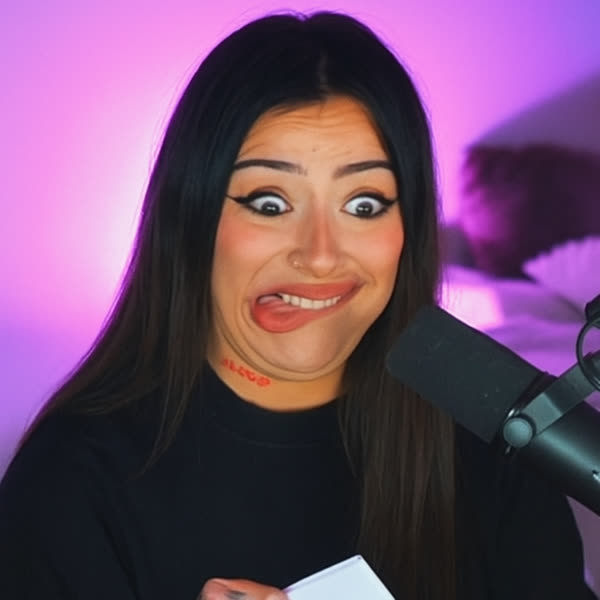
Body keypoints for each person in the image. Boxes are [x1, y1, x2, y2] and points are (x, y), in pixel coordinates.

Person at [0, 11, 595, 600]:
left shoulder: (496, 441)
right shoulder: (71, 481)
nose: (319, 256)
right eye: (269, 202)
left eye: (363, 204)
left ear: (407, 231)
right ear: (192, 219)